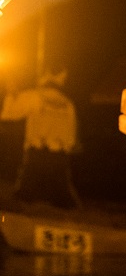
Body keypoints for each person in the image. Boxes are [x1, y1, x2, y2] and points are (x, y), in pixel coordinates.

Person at [1, 68, 81, 209]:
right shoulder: (68, 104)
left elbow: (9, 114)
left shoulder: (35, 96)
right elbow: (71, 133)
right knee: (63, 199)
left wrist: (11, 94)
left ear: (46, 76)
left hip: (37, 153)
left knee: (24, 196)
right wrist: (69, 147)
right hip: (60, 156)